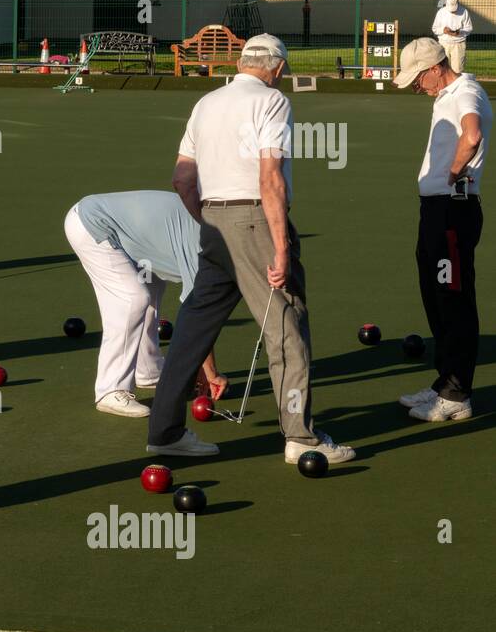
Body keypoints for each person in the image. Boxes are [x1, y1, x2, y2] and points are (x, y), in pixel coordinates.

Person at [146, 34, 354, 465]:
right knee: (286, 328)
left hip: (214, 222)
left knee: (191, 330)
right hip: (255, 219)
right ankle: (300, 437)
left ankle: (164, 433)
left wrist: (208, 224)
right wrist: (279, 246)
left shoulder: (206, 104)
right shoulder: (271, 102)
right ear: (276, 67)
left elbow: (182, 180)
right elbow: (270, 176)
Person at [393, 37, 490, 422]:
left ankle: (457, 395)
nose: (417, 85)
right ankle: (444, 383)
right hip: (437, 211)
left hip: (453, 210)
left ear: (436, 68)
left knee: (453, 300)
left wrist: (452, 174)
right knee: (436, 296)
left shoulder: (464, 92)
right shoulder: (446, 94)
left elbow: (473, 134)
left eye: (419, 78)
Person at [64, 190, 227, 417]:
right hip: (92, 226)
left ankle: (148, 370)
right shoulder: (202, 243)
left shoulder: (211, 227)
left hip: (130, 239)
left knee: (151, 289)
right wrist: (210, 372)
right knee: (133, 298)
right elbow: (199, 313)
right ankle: (110, 390)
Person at [431, 0, 473, 75]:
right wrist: (443, 30)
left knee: (458, 70)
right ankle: (443, 87)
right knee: (442, 69)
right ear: (446, 4)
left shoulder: (464, 12)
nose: (453, 11)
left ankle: (457, 86)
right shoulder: (441, 12)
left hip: (458, 44)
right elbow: (435, 28)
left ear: (457, 3)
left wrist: (459, 32)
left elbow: (469, 28)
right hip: (443, 44)